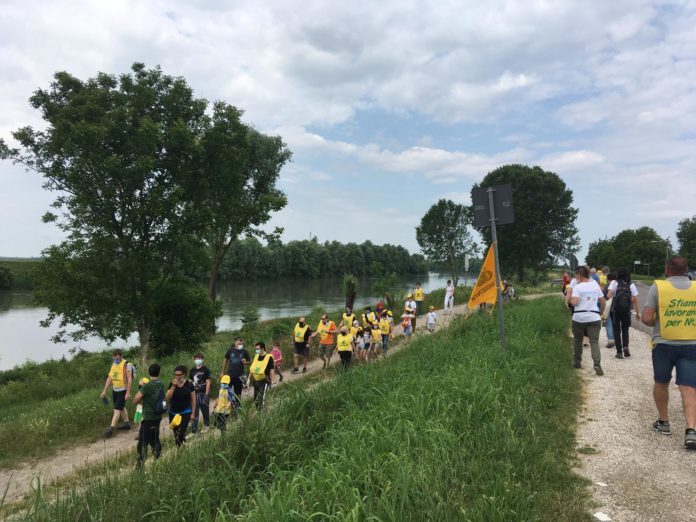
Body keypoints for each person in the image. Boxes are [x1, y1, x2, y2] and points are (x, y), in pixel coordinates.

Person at [641, 256, 696, 449]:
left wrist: (660, 320)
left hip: (664, 344)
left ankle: (663, 422)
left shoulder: (658, 287)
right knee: (689, 386)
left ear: (667, 269)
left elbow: (647, 318)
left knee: (661, 382)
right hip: (691, 344)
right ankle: (691, 430)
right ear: (687, 270)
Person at [569, 265, 606, 376]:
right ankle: (597, 364)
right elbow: (603, 301)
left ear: (579, 275)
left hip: (579, 318)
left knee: (578, 340)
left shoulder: (577, 287)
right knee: (594, 341)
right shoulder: (595, 285)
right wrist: (600, 313)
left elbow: (575, 302)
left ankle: (577, 362)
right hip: (594, 317)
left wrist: (570, 300)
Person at [133, 363, 164, 469]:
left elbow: (136, 400)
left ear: (149, 373)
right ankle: (158, 458)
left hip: (148, 416)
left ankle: (141, 463)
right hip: (157, 415)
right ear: (158, 372)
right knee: (154, 437)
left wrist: (141, 388)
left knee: (143, 442)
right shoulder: (161, 383)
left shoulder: (147, 386)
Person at [607, 268, 641, 358]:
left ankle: (619, 352)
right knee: (625, 330)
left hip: (615, 310)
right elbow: (635, 300)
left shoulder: (614, 283)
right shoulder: (631, 285)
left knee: (617, 331)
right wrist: (637, 313)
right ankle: (626, 347)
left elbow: (608, 295)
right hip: (626, 311)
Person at [100, 349, 134, 438]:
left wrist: (128, 392)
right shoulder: (113, 364)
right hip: (115, 390)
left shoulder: (127, 365)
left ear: (121, 356)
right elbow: (110, 378)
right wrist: (104, 390)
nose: (116, 360)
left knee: (117, 409)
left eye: (118, 358)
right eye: (114, 358)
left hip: (123, 390)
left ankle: (111, 428)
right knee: (121, 407)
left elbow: (130, 379)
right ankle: (127, 424)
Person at [165, 366, 195, 447]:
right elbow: (167, 398)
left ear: (184, 374)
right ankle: (181, 448)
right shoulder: (172, 384)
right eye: (175, 375)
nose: (177, 377)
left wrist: (193, 413)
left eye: (179, 375)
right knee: (176, 434)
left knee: (181, 433)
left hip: (185, 412)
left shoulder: (189, 384)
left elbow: (193, 399)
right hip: (173, 413)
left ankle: (182, 445)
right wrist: (173, 387)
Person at [247, 342, 275, 410]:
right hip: (256, 381)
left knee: (262, 399)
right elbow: (252, 368)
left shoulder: (269, 357)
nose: (257, 350)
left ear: (262, 348)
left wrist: (273, 381)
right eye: (256, 349)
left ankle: (263, 414)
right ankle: (259, 413)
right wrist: (248, 379)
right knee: (256, 400)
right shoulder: (256, 356)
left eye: (258, 349)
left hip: (265, 381)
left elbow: (272, 370)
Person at [189, 353, 211, 435]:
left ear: (202, 359)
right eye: (196, 359)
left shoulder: (205, 369)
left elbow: (208, 382)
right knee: (195, 412)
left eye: (199, 358)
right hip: (194, 394)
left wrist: (206, 394)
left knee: (205, 410)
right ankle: (194, 430)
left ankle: (207, 426)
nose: (197, 360)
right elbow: (190, 382)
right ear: (194, 360)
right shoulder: (192, 370)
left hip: (203, 393)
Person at [603, 272, 617, 349]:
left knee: (608, 322)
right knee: (616, 323)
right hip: (617, 307)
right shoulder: (618, 284)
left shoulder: (607, 286)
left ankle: (611, 339)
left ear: (607, 279)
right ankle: (616, 338)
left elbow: (605, 296)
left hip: (608, 307)